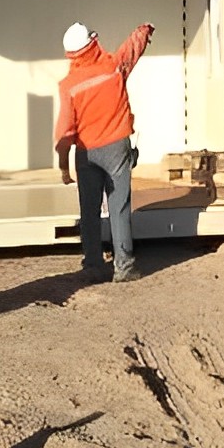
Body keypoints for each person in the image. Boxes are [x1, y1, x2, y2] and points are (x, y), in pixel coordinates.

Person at [56, 20, 153, 283]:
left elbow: (65, 131)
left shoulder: (68, 86)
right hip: (116, 149)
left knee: (89, 210)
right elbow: (130, 51)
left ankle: (93, 265)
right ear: (92, 42)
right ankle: (124, 267)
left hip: (86, 153)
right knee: (119, 207)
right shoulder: (113, 68)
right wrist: (143, 31)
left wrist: (64, 167)